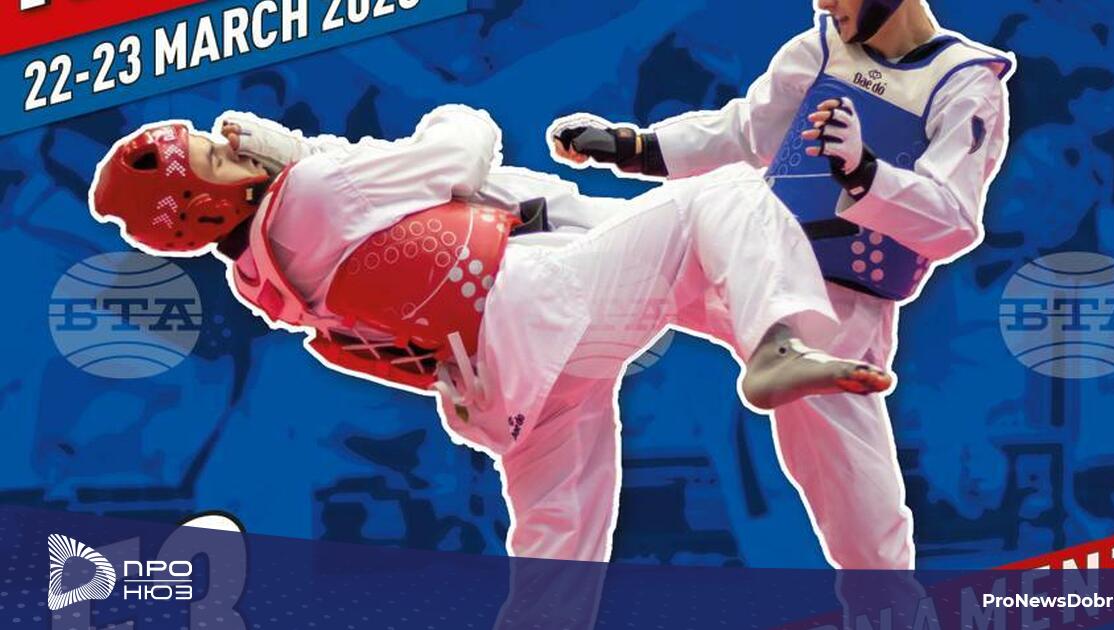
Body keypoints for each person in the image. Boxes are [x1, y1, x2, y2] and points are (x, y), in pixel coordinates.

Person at [88, 104, 892, 563]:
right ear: (208, 206)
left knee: (559, 544)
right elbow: (460, 150)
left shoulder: (262, 277)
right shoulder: (313, 194)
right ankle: (781, 348)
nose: (233, 142)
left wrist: (297, 155)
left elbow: (372, 212)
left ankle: (800, 344)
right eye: (216, 155)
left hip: (500, 383)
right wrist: (320, 149)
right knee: (728, 197)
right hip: (543, 294)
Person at [550, 0, 1015, 569]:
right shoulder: (821, 46)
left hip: (833, 304)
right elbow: (746, 133)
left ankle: (887, 600)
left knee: (854, 500)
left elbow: (953, 221)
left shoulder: (963, 84)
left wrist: (864, 172)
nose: (823, 2)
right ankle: (537, 226)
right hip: (745, 254)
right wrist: (637, 147)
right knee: (671, 221)